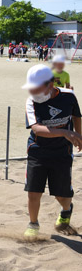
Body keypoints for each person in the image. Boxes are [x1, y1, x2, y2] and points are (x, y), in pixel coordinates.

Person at [22, 64, 82, 238]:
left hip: (62, 152)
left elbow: (76, 115)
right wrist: (64, 131)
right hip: (37, 151)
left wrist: (77, 135)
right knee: (34, 192)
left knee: (61, 195)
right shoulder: (31, 101)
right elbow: (37, 129)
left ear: (50, 84)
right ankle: (33, 224)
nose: (33, 91)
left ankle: (66, 210)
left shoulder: (68, 96)